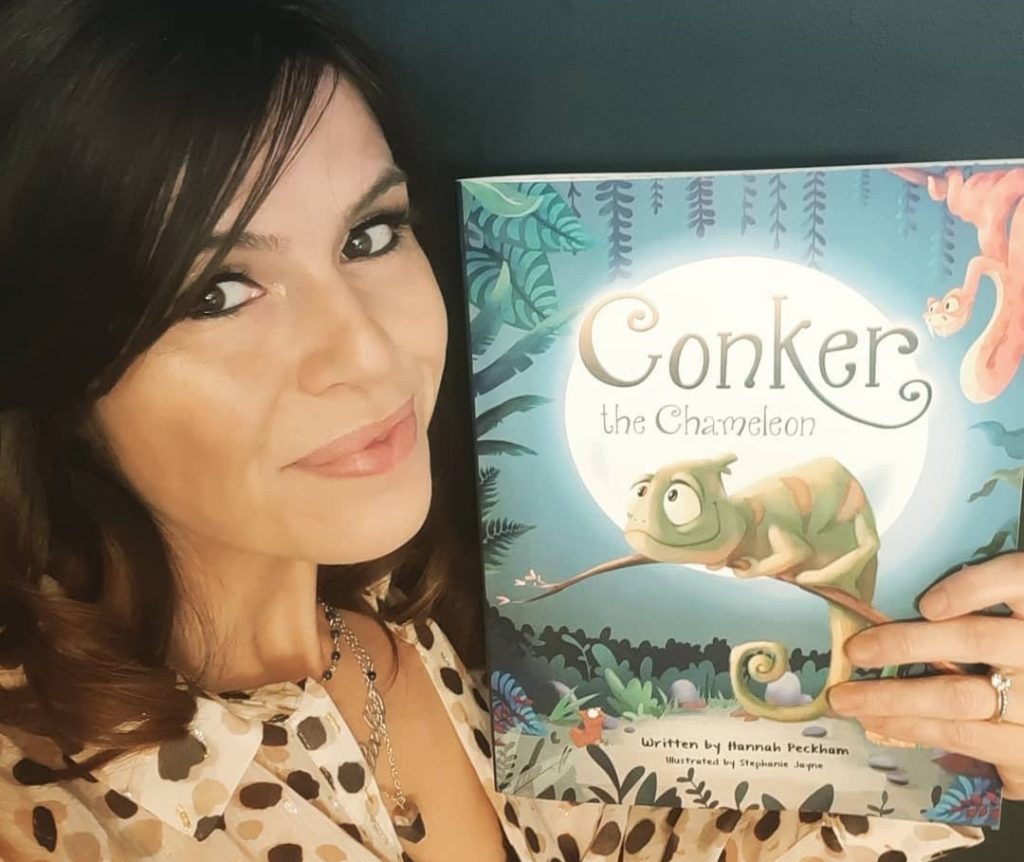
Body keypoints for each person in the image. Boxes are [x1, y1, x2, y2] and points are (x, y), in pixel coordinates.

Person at [0, 1, 1018, 860]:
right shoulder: (53, 806)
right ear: (58, 362)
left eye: (370, 234)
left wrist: (973, 725)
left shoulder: (460, 627)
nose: (368, 351)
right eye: (219, 291)